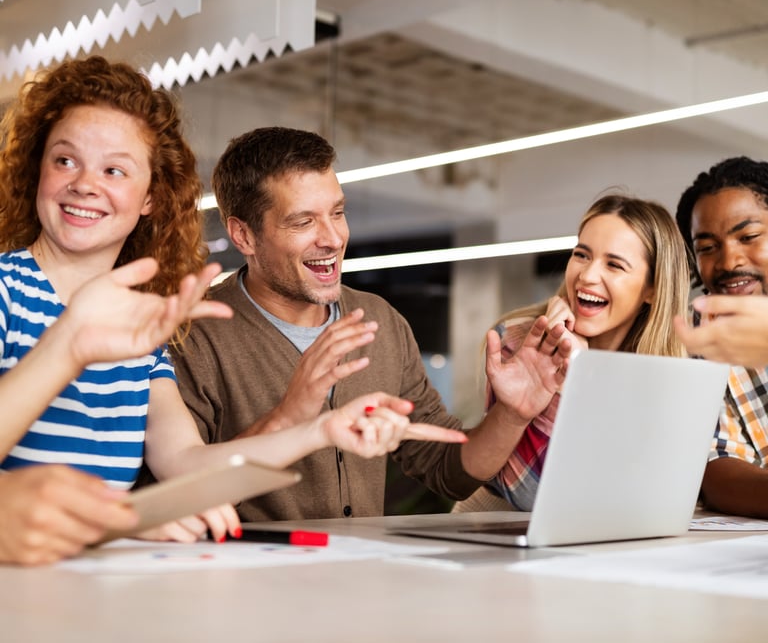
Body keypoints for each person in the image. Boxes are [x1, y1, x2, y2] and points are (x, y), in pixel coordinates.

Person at [0, 57, 465, 565]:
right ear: (36, 168)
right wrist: (67, 346)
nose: (86, 183)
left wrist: (319, 431)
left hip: (86, 591)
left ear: (151, 195)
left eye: (114, 169)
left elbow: (188, 464)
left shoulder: (143, 329)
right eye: (65, 160)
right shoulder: (6, 291)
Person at [172, 126, 571, 521]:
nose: (333, 238)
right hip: (247, 580)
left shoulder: (380, 321)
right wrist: (288, 415)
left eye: (338, 213)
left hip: (360, 578)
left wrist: (512, 414)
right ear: (243, 236)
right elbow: (176, 499)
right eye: (302, 222)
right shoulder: (192, 336)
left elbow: (447, 470)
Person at [462, 193, 689, 511]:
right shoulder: (518, 339)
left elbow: (650, 495)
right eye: (582, 255)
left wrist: (588, 372)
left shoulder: (666, 373)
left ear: (652, 288)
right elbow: (532, 494)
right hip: (495, 530)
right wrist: (574, 373)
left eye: (614, 264)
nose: (587, 275)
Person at [674, 155, 768, 518]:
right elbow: (717, 471)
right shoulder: (699, 341)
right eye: (707, 247)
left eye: (749, 237)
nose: (729, 262)